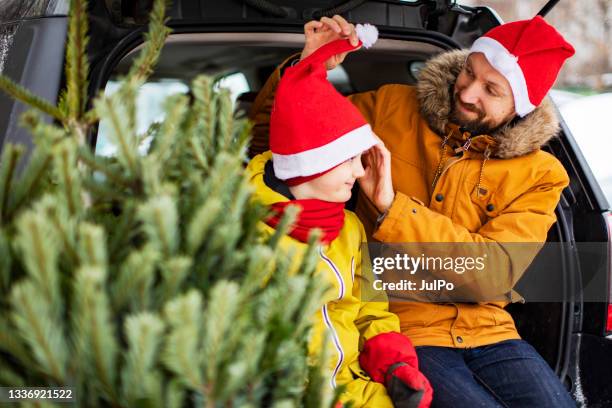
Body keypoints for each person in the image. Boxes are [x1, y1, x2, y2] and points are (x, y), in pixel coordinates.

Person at [249, 15, 577, 407]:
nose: (468, 92)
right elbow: (282, 141)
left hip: (489, 330)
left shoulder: (541, 173)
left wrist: (393, 208)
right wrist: (308, 65)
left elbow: (494, 274)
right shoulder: (389, 107)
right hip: (400, 320)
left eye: (491, 89)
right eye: (469, 72)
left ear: (522, 107)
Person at [246, 24, 432, 407]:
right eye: (349, 160)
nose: (361, 172)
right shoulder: (247, 234)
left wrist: (395, 365)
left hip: (352, 388)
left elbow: (369, 307)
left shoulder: (348, 227)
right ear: (308, 167)